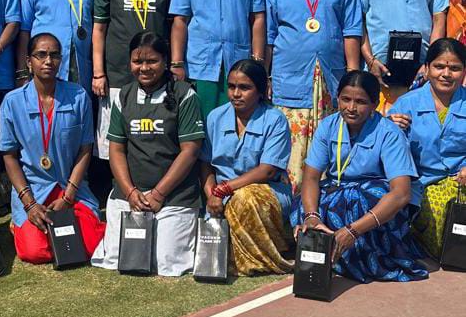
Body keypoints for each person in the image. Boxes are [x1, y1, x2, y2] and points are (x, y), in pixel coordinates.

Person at [293, 71, 427, 284]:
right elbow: (310, 178)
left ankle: (359, 257)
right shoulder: (328, 126)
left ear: (374, 104)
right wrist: (311, 215)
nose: (351, 108)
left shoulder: (389, 133)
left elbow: (401, 194)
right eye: (346, 99)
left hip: (375, 197)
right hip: (338, 189)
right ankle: (325, 251)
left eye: (361, 102)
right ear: (338, 99)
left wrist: (352, 231)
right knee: (304, 203)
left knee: (359, 200)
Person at [91, 32, 205, 276]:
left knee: (165, 263)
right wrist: (131, 192)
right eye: (137, 61)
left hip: (174, 195)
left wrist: (159, 193)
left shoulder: (185, 95)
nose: (144, 68)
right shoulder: (124, 95)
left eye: (151, 61)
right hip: (131, 194)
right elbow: (116, 149)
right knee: (118, 259)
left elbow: (190, 151)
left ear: (165, 61)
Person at [266, 0, 362, 191]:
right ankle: (292, 214)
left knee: (328, 151)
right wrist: (268, 76)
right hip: (290, 78)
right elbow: (270, 36)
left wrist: (353, 76)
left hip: (330, 79)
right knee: (292, 156)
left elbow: (352, 31)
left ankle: (322, 211)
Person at [0, 33, 104, 263]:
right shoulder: (12, 101)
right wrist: (30, 204)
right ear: (29, 61)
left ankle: (66, 224)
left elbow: (86, 148)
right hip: (33, 190)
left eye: (55, 55)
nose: (48, 61)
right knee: (34, 253)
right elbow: (9, 156)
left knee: (91, 246)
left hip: (69, 186)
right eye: (41, 55)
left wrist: (68, 197)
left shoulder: (78, 96)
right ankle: (21, 226)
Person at [200, 60, 292, 276]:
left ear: (260, 91)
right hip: (221, 194)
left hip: (269, 191)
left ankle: (260, 262)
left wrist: (222, 191)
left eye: (244, 87)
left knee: (244, 198)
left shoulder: (275, 119)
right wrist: (210, 195)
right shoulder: (215, 117)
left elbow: (268, 170)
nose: (236, 94)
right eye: (231, 86)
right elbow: (205, 163)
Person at [92, 0, 173, 158]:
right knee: (113, 142)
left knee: (151, 133)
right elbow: (99, 29)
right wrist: (99, 73)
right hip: (117, 73)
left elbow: (174, 26)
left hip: (156, 73)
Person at [389, 39, 466, 257]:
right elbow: (384, 149)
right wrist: (390, 128)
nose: (446, 74)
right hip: (419, 184)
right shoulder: (406, 104)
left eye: (454, 68)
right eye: (439, 66)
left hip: (460, 181)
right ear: (426, 68)